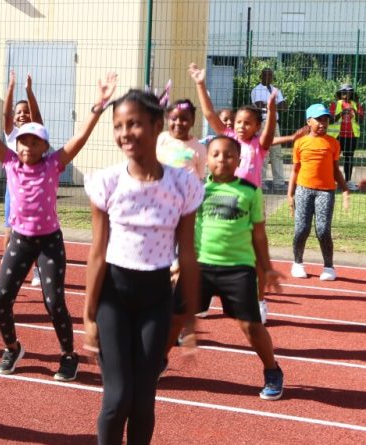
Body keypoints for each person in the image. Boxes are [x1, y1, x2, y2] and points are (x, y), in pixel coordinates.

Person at [0, 71, 116, 381]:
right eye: (22, 140)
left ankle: (68, 355)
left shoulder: (54, 164)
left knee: (54, 302)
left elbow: (80, 138)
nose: (26, 145)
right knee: (0, 299)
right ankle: (12, 347)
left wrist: (100, 104)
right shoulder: (10, 162)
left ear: (44, 146)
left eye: (33, 141)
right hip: (20, 241)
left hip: (49, 242)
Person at [84, 89, 204, 445]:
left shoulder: (183, 183)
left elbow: (188, 253)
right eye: (118, 126)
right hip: (113, 297)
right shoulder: (107, 182)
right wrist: (89, 316)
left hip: (156, 298)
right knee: (118, 398)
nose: (125, 134)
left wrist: (191, 318)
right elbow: (97, 251)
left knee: (143, 402)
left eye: (133, 124)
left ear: (156, 126)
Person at [194, 135, 286, 400]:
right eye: (216, 154)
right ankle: (157, 363)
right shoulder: (198, 191)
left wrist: (265, 267)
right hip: (201, 266)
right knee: (174, 319)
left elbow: (258, 234)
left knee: (250, 326)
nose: (222, 159)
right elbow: (188, 229)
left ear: (238, 161)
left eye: (229, 155)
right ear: (207, 159)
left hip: (238, 268)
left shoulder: (249, 191)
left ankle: (272, 370)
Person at [190, 62, 277, 324]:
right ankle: (202, 298)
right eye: (238, 122)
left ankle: (259, 300)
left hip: (248, 205)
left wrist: (271, 111)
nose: (241, 126)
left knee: (254, 254)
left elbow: (269, 134)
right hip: (220, 202)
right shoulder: (227, 138)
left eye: (247, 123)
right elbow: (208, 114)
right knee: (210, 249)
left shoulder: (258, 146)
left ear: (256, 126)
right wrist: (200, 84)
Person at [288, 104, 350, 282]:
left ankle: (329, 267)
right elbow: (295, 170)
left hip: (326, 192)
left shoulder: (333, 143)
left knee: (323, 230)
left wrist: (345, 188)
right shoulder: (300, 143)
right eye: (319, 119)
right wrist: (290, 194)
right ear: (309, 121)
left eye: (326, 119)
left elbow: (335, 170)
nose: (323, 123)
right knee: (301, 229)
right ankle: (297, 263)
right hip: (303, 190)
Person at [0, 70, 44, 287]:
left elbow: (38, 117)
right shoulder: (11, 136)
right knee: (9, 231)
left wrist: (29, 91)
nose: (22, 115)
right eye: (19, 112)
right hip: (13, 192)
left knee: (34, 232)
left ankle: (36, 270)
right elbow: (5, 116)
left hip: (35, 192)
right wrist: (10, 88)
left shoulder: (37, 133)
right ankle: (6, 267)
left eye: (25, 112)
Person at [251, 67, 287, 191]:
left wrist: (269, 105)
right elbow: (259, 105)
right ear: (261, 76)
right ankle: (261, 181)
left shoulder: (276, 90)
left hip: (274, 123)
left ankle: (279, 182)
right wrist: (274, 105)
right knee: (264, 153)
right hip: (263, 123)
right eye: (266, 75)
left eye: (270, 75)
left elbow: (284, 107)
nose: (268, 77)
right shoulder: (256, 90)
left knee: (277, 153)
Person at [156, 99, 207, 180]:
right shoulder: (160, 139)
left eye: (184, 119)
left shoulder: (199, 148)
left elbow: (200, 178)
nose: (178, 122)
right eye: (174, 118)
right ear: (167, 119)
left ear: (192, 121)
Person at [327, 84, 364, 191]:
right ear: (340, 93)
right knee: (332, 159)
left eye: (348, 92)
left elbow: (361, 120)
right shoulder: (335, 104)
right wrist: (341, 113)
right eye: (343, 92)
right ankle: (331, 180)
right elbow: (331, 120)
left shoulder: (356, 104)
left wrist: (355, 113)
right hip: (337, 136)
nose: (345, 94)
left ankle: (347, 181)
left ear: (351, 93)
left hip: (351, 136)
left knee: (349, 158)